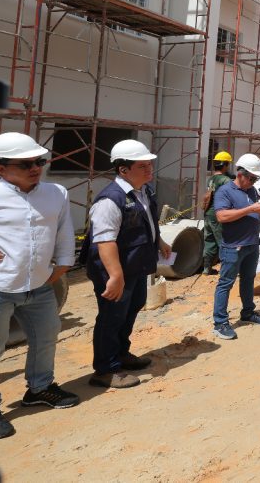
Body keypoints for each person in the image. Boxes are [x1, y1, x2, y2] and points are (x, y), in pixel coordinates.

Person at [0, 133, 80, 438]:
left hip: (40, 285)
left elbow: (64, 231)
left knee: (47, 336)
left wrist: (63, 264)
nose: (36, 168)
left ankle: (40, 388)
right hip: (1, 286)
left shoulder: (55, 193)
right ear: (1, 168)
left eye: (40, 161)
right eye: (26, 163)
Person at [84, 139, 172, 389]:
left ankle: (121, 354)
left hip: (136, 267)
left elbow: (146, 223)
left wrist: (160, 241)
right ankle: (105, 369)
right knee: (111, 317)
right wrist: (115, 275)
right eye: (142, 166)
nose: (149, 170)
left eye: (149, 164)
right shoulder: (110, 200)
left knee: (131, 310)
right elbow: (104, 240)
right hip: (115, 272)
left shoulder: (145, 191)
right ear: (123, 170)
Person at [212, 153, 260, 340]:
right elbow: (222, 216)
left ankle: (248, 312)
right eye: (252, 178)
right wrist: (251, 209)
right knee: (226, 283)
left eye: (256, 178)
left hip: (251, 244)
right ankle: (220, 322)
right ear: (240, 174)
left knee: (248, 279)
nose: (254, 181)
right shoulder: (225, 191)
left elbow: (252, 210)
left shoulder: (251, 191)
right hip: (233, 247)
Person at [200, 150, 233, 275]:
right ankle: (227, 270)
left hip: (208, 213)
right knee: (223, 241)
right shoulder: (226, 180)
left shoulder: (211, 178)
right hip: (218, 214)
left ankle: (206, 268)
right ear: (225, 165)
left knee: (209, 240)